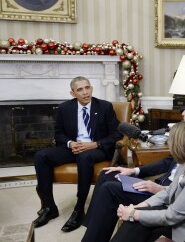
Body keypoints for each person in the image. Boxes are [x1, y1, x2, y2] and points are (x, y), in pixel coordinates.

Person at [81, 93, 185, 241]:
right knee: (106, 175)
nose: (182, 113)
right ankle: (91, 230)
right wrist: (134, 171)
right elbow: (168, 163)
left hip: (171, 202)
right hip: (163, 189)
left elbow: (175, 209)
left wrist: (136, 211)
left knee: (116, 197)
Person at [33, 76, 123, 232]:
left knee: (85, 156)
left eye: (87, 88)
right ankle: (49, 207)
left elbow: (116, 134)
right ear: (72, 93)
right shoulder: (64, 108)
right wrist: (70, 143)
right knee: (41, 156)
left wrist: (94, 144)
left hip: (96, 149)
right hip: (73, 148)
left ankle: (79, 208)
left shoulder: (104, 107)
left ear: (92, 89)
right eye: (80, 89)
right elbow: (59, 133)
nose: (85, 92)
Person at [110, 121, 185, 242]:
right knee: (136, 222)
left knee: (136, 222)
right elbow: (169, 191)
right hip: (178, 219)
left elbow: (172, 216)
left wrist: (134, 214)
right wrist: (138, 207)